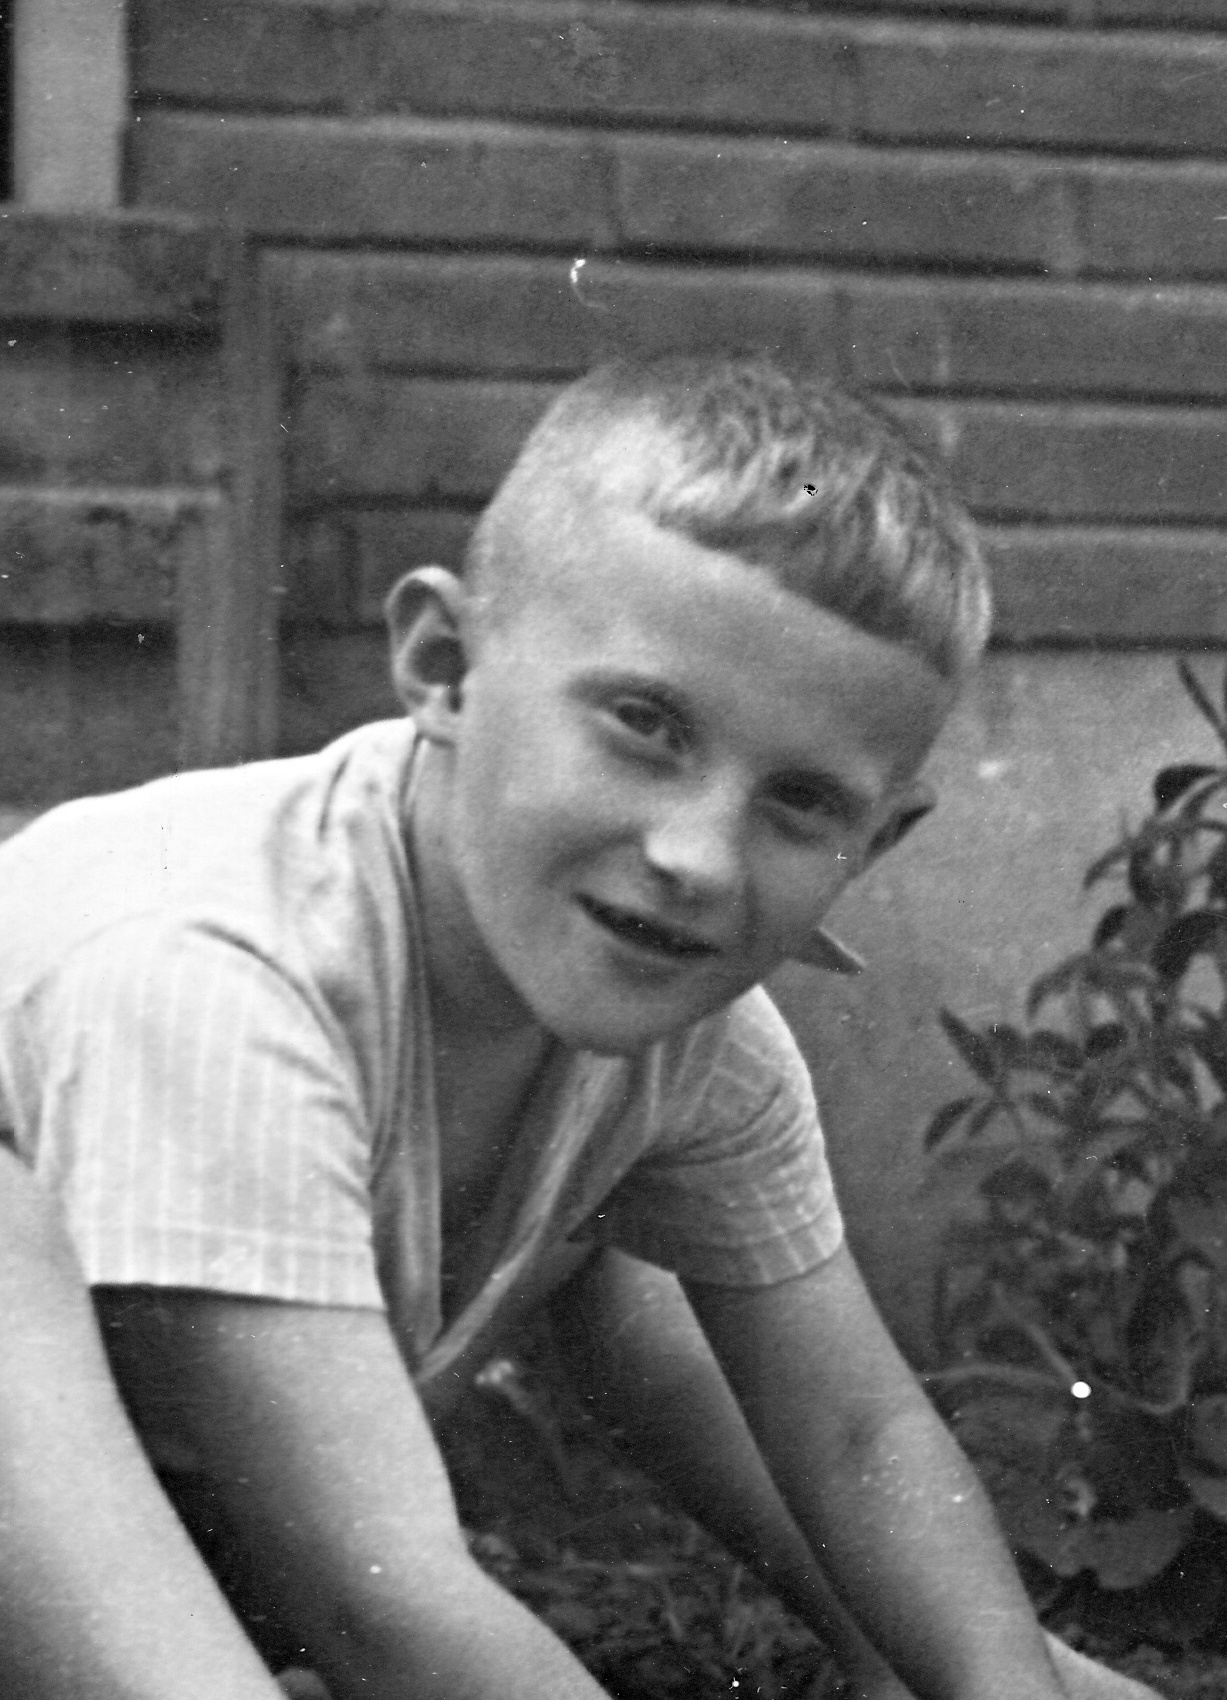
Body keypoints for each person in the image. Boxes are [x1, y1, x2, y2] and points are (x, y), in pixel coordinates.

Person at [0, 355, 1156, 1700]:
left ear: (876, 843)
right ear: (444, 668)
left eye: (800, 803)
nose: (696, 859)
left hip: (163, 1525)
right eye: (644, 726)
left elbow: (856, 1431)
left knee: (618, 1252)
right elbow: (379, 1595)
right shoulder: (218, 970)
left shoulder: (697, 1040)